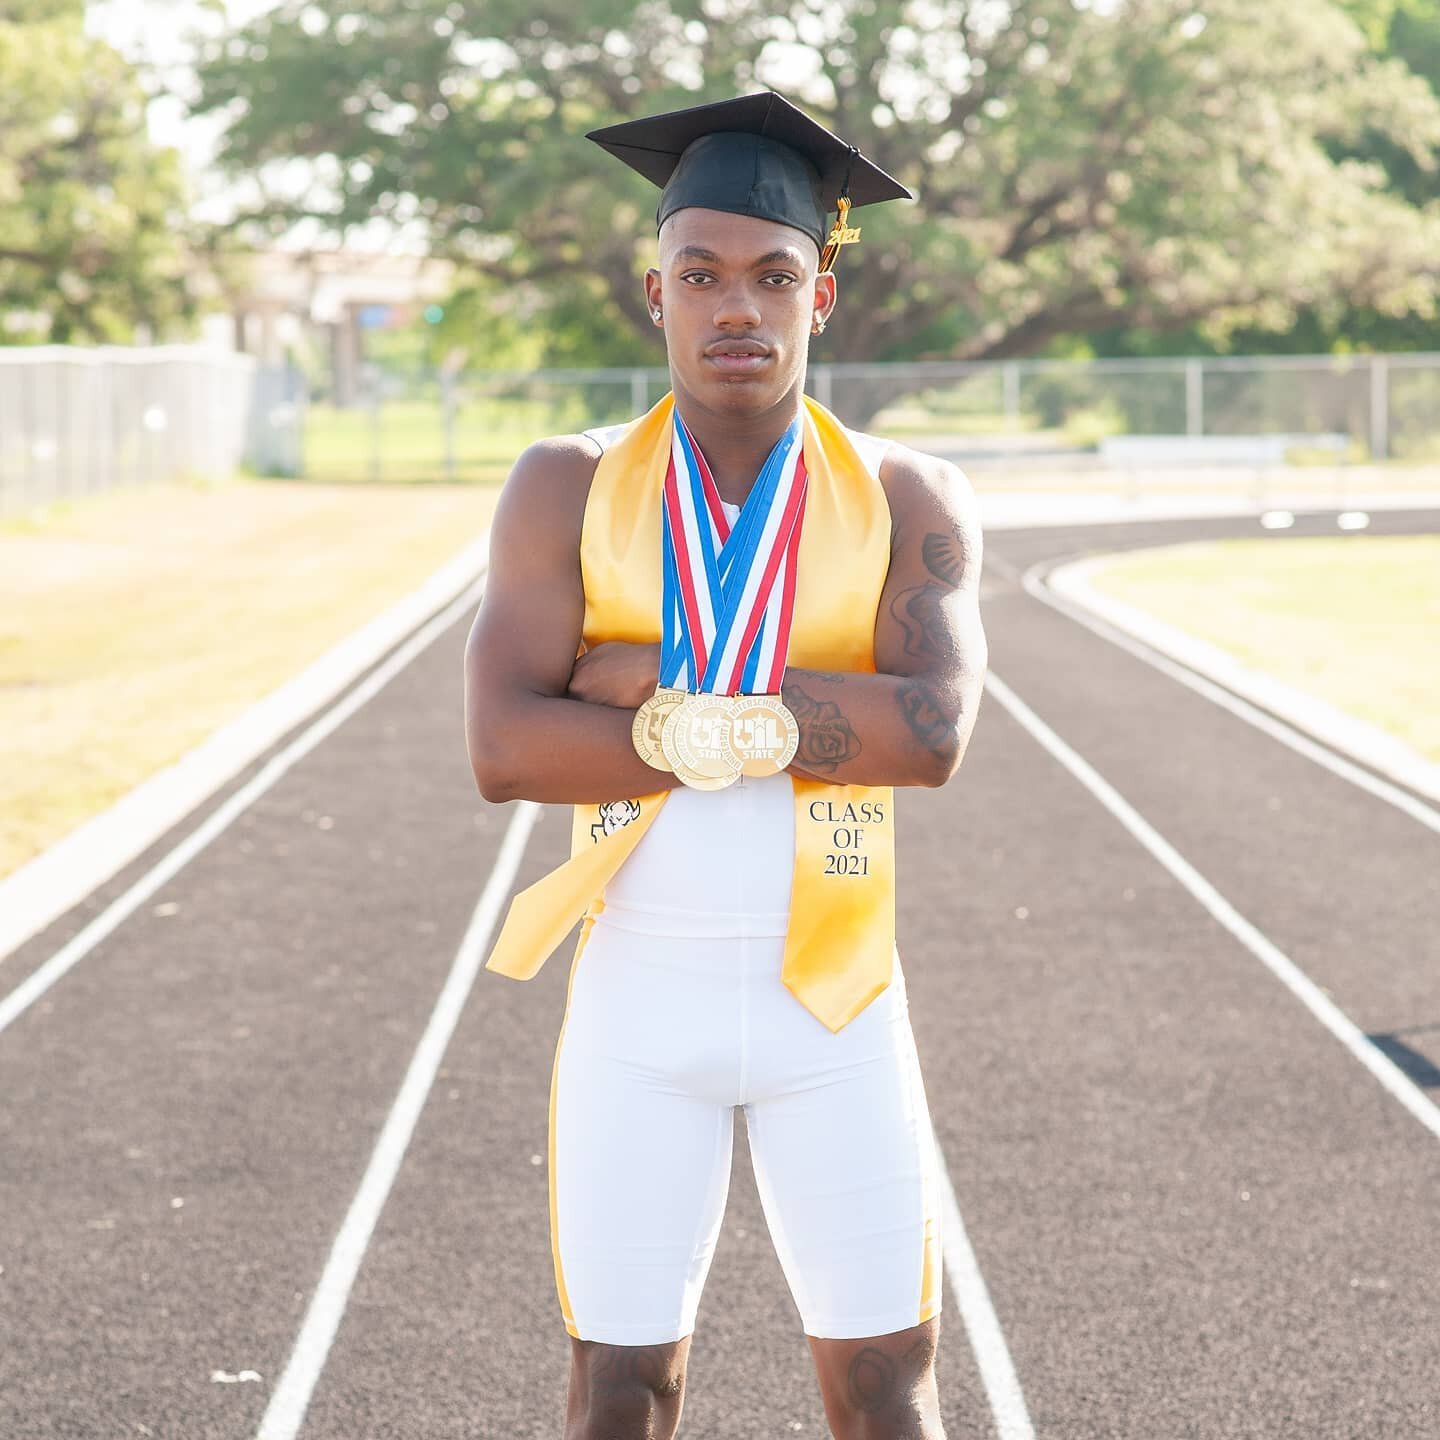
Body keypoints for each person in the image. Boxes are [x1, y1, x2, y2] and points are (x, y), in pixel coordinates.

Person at [464, 90, 987, 1440]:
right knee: (620, 1394)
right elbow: (507, 748)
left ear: (823, 295)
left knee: (885, 1392)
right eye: (700, 277)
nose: (735, 310)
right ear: (656, 292)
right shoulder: (565, 486)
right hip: (639, 1007)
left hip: (837, 1004)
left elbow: (930, 737)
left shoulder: (908, 497)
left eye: (773, 276)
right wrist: (789, 718)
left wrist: (668, 694)